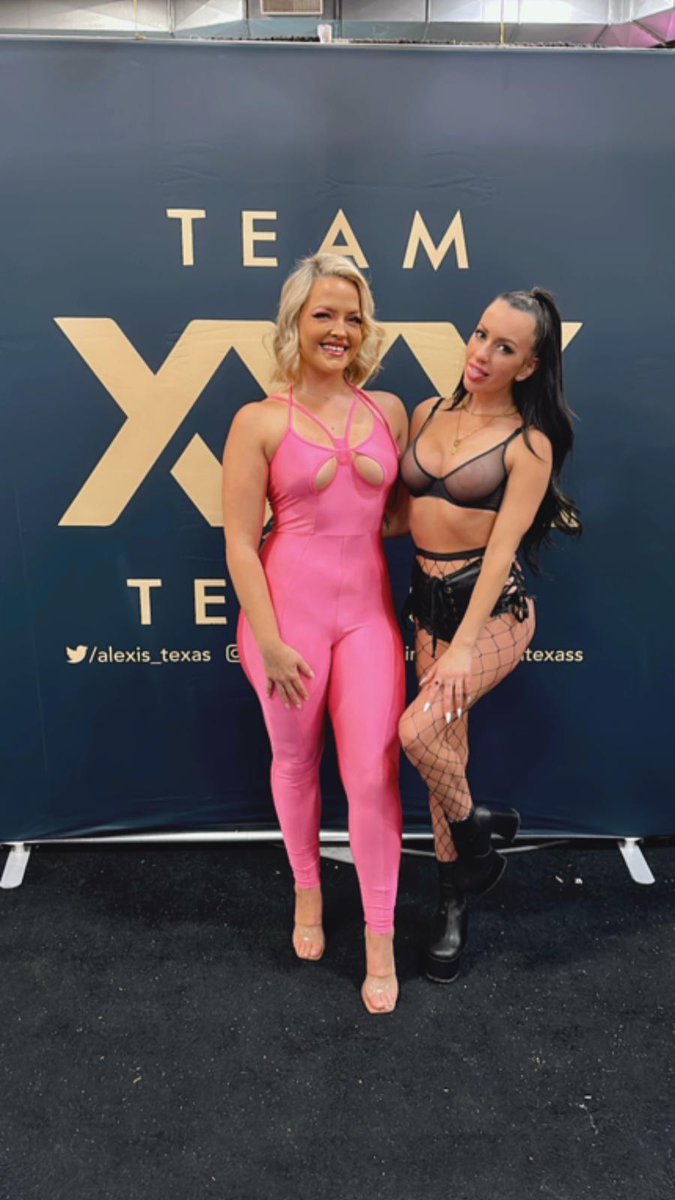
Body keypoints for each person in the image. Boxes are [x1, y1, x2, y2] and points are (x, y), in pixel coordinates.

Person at [222, 253, 408, 1014]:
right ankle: (307, 891)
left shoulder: (389, 411)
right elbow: (240, 543)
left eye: (352, 317)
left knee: (371, 775)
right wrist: (268, 642)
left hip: (367, 617)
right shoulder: (258, 421)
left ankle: (379, 937)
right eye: (323, 314)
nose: (339, 330)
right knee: (296, 762)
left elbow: (400, 515)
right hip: (285, 622)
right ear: (295, 322)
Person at [398, 288, 581, 983]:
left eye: (505, 347)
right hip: (426, 607)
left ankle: (476, 834)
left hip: (491, 614)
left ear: (528, 366)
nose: (481, 354)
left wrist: (466, 649)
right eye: (480, 335)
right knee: (446, 752)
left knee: (418, 734)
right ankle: (456, 896)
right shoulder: (427, 412)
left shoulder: (529, 444)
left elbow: (502, 551)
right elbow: (400, 515)